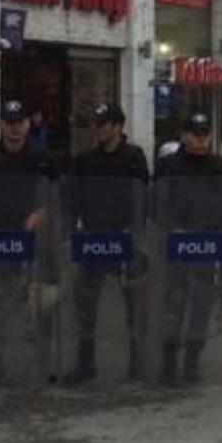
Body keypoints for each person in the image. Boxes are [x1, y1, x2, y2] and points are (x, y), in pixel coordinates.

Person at [0, 100, 59, 385]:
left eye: (19, 123)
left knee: (35, 305)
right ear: (1, 125)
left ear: (28, 125)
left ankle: (40, 364)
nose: (14, 129)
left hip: (31, 241)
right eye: (9, 123)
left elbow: (60, 195)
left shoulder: (42, 158)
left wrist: (43, 212)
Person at [66, 103, 149, 384]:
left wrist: (136, 236)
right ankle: (85, 363)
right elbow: (73, 198)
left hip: (125, 239)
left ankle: (137, 363)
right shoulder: (85, 160)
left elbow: (141, 199)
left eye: (103, 124)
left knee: (134, 305)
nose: (98, 130)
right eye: (96, 124)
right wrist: (72, 232)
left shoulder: (133, 158)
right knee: (86, 307)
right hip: (93, 239)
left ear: (118, 127)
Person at [154, 112, 222, 384]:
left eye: (205, 133)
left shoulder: (217, 165)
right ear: (184, 135)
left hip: (206, 245)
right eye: (195, 134)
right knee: (173, 304)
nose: (200, 139)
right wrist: (169, 229)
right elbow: (159, 202)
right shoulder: (169, 165)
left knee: (201, 305)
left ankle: (192, 363)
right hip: (176, 242)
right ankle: (168, 363)